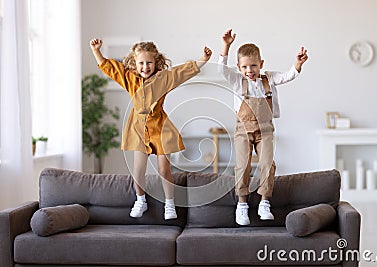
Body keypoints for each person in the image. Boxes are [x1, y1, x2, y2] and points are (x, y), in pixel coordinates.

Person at [90, 38, 212, 220]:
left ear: (156, 63)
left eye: (149, 63)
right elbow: (110, 68)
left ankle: (169, 204)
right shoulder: (130, 79)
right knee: (138, 169)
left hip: (160, 128)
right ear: (134, 63)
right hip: (138, 129)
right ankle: (140, 200)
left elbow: (182, 72)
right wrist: (96, 51)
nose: (145, 67)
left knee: (164, 169)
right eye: (141, 63)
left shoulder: (164, 79)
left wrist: (204, 58)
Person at [218, 29, 308, 226]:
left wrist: (297, 65)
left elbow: (288, 76)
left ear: (261, 65)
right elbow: (221, 70)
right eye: (244, 67)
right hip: (243, 130)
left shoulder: (269, 79)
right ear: (239, 67)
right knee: (243, 166)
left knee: (268, 164)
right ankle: (242, 204)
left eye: (253, 66)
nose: (249, 71)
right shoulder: (236, 81)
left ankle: (264, 202)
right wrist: (226, 46)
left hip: (265, 131)